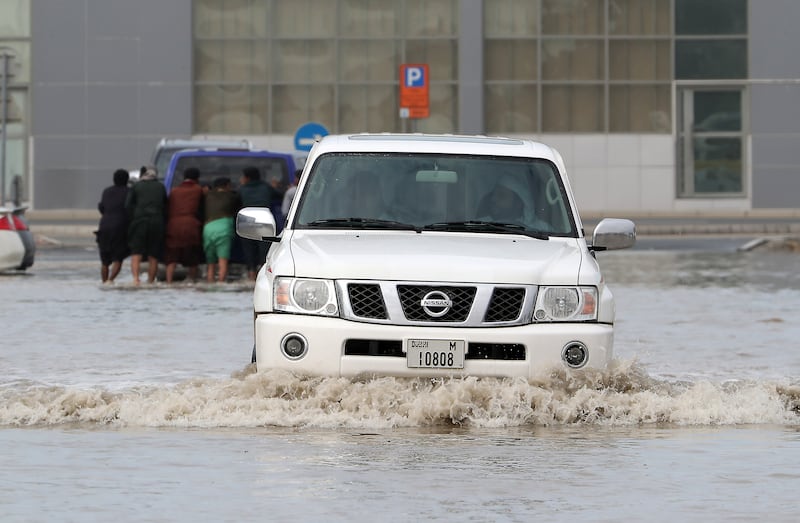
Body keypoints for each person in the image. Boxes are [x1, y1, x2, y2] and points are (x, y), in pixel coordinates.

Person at [125, 165, 167, 285]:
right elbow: (165, 205)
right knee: (153, 255)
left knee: (136, 253)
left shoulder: (136, 186)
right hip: (157, 222)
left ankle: (136, 280)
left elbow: (128, 206)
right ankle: (151, 281)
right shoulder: (161, 187)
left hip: (140, 222)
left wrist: (133, 219)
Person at [164, 167, 204, 283]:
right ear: (197, 179)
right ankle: (191, 280)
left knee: (172, 258)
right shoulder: (198, 189)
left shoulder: (174, 191)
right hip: (191, 226)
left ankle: (169, 282)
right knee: (193, 258)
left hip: (173, 226)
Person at [238, 166, 276, 280]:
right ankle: (263, 276)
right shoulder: (266, 187)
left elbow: (235, 202)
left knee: (249, 248)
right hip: (264, 219)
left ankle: (251, 274)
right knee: (264, 249)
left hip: (247, 220)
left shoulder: (242, 189)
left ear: (247, 178)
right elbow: (278, 195)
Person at [203, 176, 241, 283]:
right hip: (224, 228)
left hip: (208, 229)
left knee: (210, 263)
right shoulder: (231, 196)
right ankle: (221, 283)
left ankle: (210, 282)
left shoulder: (208, 195)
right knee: (222, 261)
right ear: (227, 186)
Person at [96, 168, 130, 283]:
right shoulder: (129, 192)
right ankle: (111, 280)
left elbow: (101, 207)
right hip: (120, 227)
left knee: (104, 261)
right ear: (127, 180)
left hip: (104, 226)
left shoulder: (106, 191)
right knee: (118, 257)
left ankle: (104, 282)